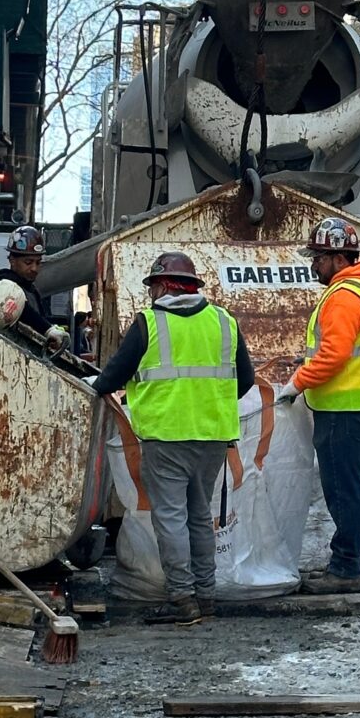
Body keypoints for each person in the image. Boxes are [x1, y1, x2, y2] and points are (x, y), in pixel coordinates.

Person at [92, 251, 255, 626]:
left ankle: (181, 599)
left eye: (153, 287)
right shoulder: (223, 321)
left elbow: (111, 378)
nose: (151, 294)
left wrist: (106, 387)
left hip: (166, 437)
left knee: (170, 517)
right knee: (200, 516)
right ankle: (206, 596)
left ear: (163, 285)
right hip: (214, 436)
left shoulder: (149, 323)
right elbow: (244, 380)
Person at [278, 217, 360, 595]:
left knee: (343, 493)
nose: (313, 264)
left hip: (344, 411)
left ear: (337, 258)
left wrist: (294, 385)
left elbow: (333, 356)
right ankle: (347, 561)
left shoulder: (343, 297)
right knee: (355, 491)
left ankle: (345, 568)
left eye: (318, 257)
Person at [0, 226, 67, 349]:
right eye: (28, 262)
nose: (34, 268)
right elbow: (21, 308)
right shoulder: (2, 285)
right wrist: (48, 329)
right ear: (12, 261)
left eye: (38, 263)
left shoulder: (32, 292)